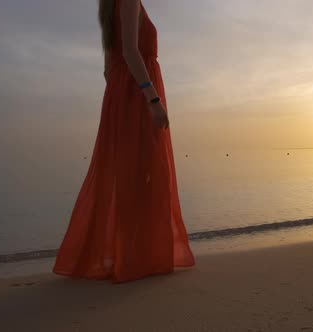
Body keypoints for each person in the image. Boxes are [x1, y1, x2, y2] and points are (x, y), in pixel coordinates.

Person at [52, 0, 196, 283]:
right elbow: (131, 52)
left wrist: (120, 98)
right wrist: (151, 98)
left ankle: (127, 255)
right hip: (137, 93)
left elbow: (108, 67)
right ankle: (136, 257)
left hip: (122, 93)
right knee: (145, 173)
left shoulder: (109, 7)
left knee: (128, 174)